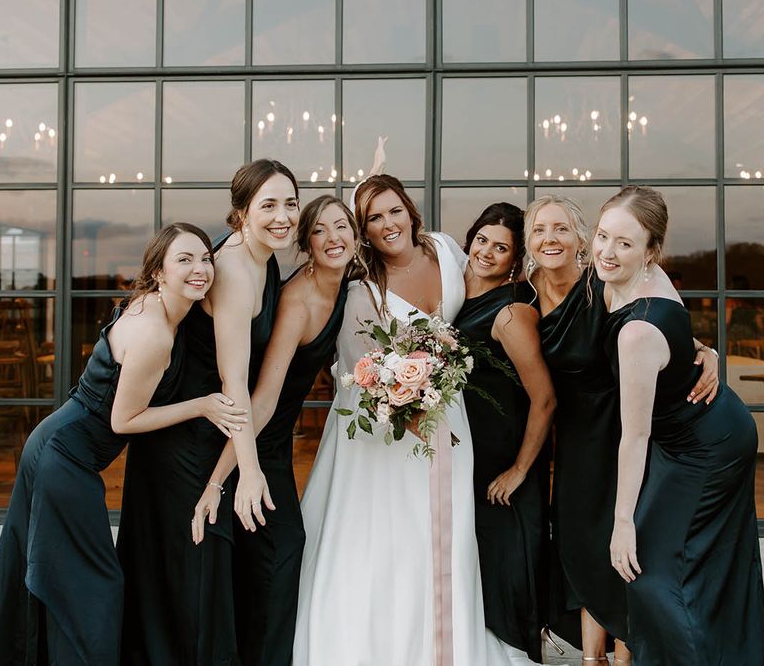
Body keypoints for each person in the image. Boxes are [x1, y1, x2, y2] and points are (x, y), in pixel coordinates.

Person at [0, 223, 243, 665]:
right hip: (64, 457)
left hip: (55, 445)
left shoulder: (159, 308)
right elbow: (124, 420)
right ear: (159, 272)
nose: (199, 268)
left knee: (61, 578)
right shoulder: (154, 333)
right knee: (90, 585)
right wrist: (202, 404)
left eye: (205, 258)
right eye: (183, 260)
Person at [293, 174, 490, 665]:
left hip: (451, 417)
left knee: (451, 537)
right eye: (373, 218)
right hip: (393, 433)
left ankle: (448, 642)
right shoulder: (364, 290)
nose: (387, 224)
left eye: (393, 211)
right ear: (363, 230)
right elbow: (360, 377)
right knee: (396, 542)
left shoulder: (447, 252)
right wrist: (409, 400)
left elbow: (493, 294)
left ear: (409, 210)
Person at [117, 160, 299, 665]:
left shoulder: (267, 259)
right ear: (240, 213)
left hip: (216, 429)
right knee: (198, 576)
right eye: (268, 205)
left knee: (217, 574)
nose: (282, 216)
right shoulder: (236, 272)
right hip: (186, 442)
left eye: (290, 203)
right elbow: (233, 381)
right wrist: (247, 471)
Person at [524, 195, 719, 664]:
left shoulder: (602, 278)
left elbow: (650, 325)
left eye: (561, 229)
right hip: (576, 438)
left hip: (625, 427)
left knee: (628, 549)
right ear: (528, 242)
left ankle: (627, 656)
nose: (550, 239)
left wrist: (704, 351)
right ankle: (592, 659)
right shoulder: (522, 295)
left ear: (578, 239)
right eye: (538, 230)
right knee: (583, 546)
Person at [191, 195, 365, 666]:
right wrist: (223, 476)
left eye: (342, 227)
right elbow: (262, 398)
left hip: (276, 442)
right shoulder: (299, 299)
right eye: (320, 231)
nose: (334, 238)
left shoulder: (348, 283)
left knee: (267, 558)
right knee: (282, 551)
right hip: (254, 439)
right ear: (306, 243)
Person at [595, 185, 764, 665]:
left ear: (651, 252)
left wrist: (623, 522)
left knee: (650, 576)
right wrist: (703, 352)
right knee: (693, 568)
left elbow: (635, 435)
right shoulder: (629, 278)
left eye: (624, 244)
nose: (607, 252)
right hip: (693, 430)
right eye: (603, 236)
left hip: (706, 445)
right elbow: (684, 341)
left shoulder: (637, 331)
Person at [455, 203, 556, 663]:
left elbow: (545, 399)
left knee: (507, 577)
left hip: (505, 470)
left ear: (515, 259)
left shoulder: (512, 312)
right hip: (466, 463)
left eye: (501, 248)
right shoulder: (454, 291)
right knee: (475, 577)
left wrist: (519, 470)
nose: (487, 253)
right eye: (482, 240)